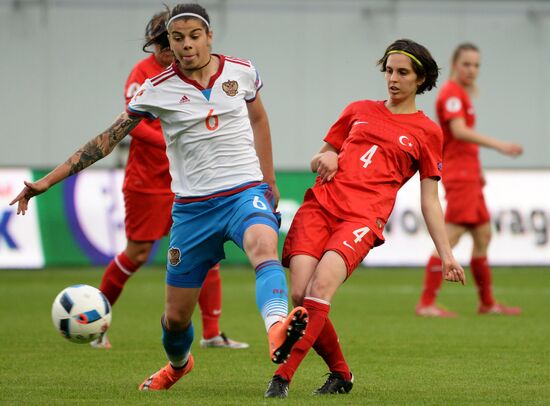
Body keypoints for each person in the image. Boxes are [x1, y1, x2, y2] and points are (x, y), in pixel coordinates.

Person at [10, 2, 308, 392]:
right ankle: (178, 365)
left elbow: (258, 118)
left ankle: (276, 329)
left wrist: (268, 180)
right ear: (168, 41)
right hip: (192, 210)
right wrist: (46, 182)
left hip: (243, 192)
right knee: (176, 320)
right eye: (177, 38)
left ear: (209, 36)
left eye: (194, 36)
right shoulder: (156, 88)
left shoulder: (242, 71)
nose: (186, 45)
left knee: (263, 245)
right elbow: (105, 141)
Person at [264, 39, 466, 398]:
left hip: (362, 218)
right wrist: (324, 159)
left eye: (403, 72)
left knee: (320, 289)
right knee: (300, 294)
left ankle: (283, 376)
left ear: (420, 79)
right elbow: (322, 156)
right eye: (389, 70)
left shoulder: (427, 132)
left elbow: (430, 200)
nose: (393, 78)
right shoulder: (357, 109)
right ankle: (341, 374)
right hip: (321, 205)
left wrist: (447, 253)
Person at [90, 10, 248, 351]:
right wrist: (176, 140)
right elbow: (135, 127)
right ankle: (95, 322)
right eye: (163, 45)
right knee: (137, 253)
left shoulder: (203, 71)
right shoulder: (144, 77)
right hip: (149, 180)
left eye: (173, 43)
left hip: (193, 180)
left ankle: (212, 333)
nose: (168, 52)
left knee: (207, 251)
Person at [416, 43, 523, 318]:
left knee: (483, 234)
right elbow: (459, 131)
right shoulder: (451, 93)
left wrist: (478, 169)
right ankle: (427, 303)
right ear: (454, 64)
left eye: (476, 65)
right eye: (466, 64)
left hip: (470, 174)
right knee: (451, 235)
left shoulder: (461, 94)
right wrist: (500, 145)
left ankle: (487, 303)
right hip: (460, 176)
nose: (472, 70)